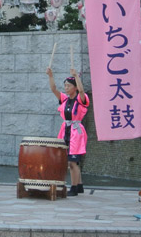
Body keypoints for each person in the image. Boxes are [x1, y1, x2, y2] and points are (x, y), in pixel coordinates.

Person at [47, 67, 89, 196]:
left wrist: (76, 76)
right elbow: (54, 89)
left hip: (76, 132)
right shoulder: (65, 99)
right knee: (71, 160)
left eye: (68, 86)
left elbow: (81, 90)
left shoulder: (81, 99)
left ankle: (74, 187)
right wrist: (50, 75)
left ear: (74, 87)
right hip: (66, 130)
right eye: (65, 86)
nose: (66, 88)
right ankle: (80, 186)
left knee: (72, 162)